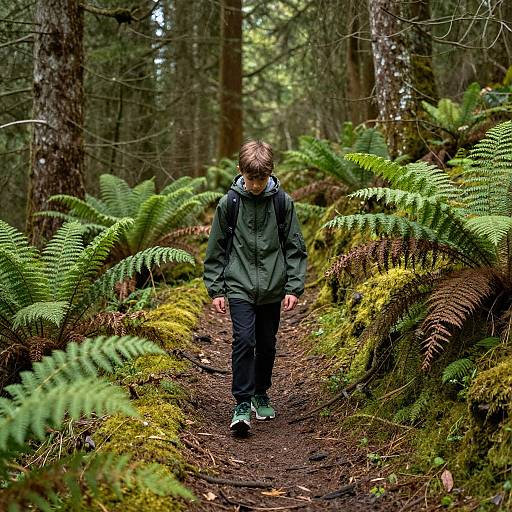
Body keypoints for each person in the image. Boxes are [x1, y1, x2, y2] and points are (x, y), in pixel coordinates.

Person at [203, 139, 307, 434]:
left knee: (267, 343)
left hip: (273, 288)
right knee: (243, 340)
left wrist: (293, 287)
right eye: (251, 179)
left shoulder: (282, 203)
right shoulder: (229, 204)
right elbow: (216, 250)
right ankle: (242, 401)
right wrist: (217, 289)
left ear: (270, 173)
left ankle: (261, 392)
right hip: (239, 286)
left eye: (262, 178)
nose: (257, 185)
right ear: (241, 172)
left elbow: (295, 248)